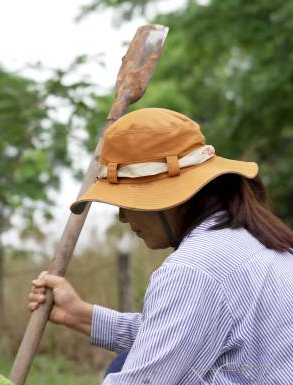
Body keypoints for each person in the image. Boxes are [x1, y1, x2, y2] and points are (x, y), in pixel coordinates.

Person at [27, 108, 293, 384]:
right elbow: (174, 336)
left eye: (126, 202)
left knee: (121, 368)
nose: (123, 217)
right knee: (122, 361)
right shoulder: (248, 238)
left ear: (170, 197)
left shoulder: (192, 270)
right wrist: (78, 314)